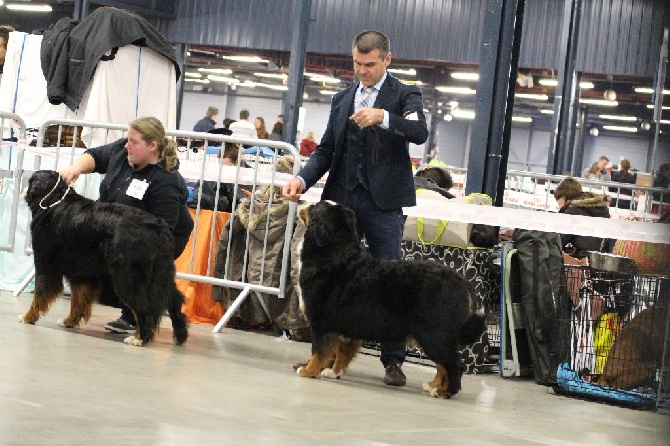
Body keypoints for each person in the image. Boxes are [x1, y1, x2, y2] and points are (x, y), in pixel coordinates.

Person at [282, 30, 429, 387]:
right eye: (357, 64)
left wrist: (383, 117)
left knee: (390, 282)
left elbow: (419, 132)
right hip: (341, 205)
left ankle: (393, 362)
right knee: (332, 284)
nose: (362, 70)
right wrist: (302, 180)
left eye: (370, 64)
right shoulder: (342, 98)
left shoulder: (405, 94)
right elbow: (326, 151)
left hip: (384, 205)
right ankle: (324, 353)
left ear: (387, 60)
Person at [59, 117, 194, 333]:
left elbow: (161, 233)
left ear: (152, 146)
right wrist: (76, 168)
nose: (127, 145)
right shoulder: (123, 152)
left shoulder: (167, 181)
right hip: (115, 230)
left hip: (160, 237)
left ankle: (136, 316)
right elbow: (95, 155)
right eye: (127, 139)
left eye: (133, 141)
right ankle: (85, 309)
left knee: (125, 273)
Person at [553, 177, 610, 259]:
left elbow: (559, 241)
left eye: (558, 198)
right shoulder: (594, 207)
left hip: (581, 258)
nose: (558, 202)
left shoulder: (572, 212)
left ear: (564, 196)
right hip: (597, 258)